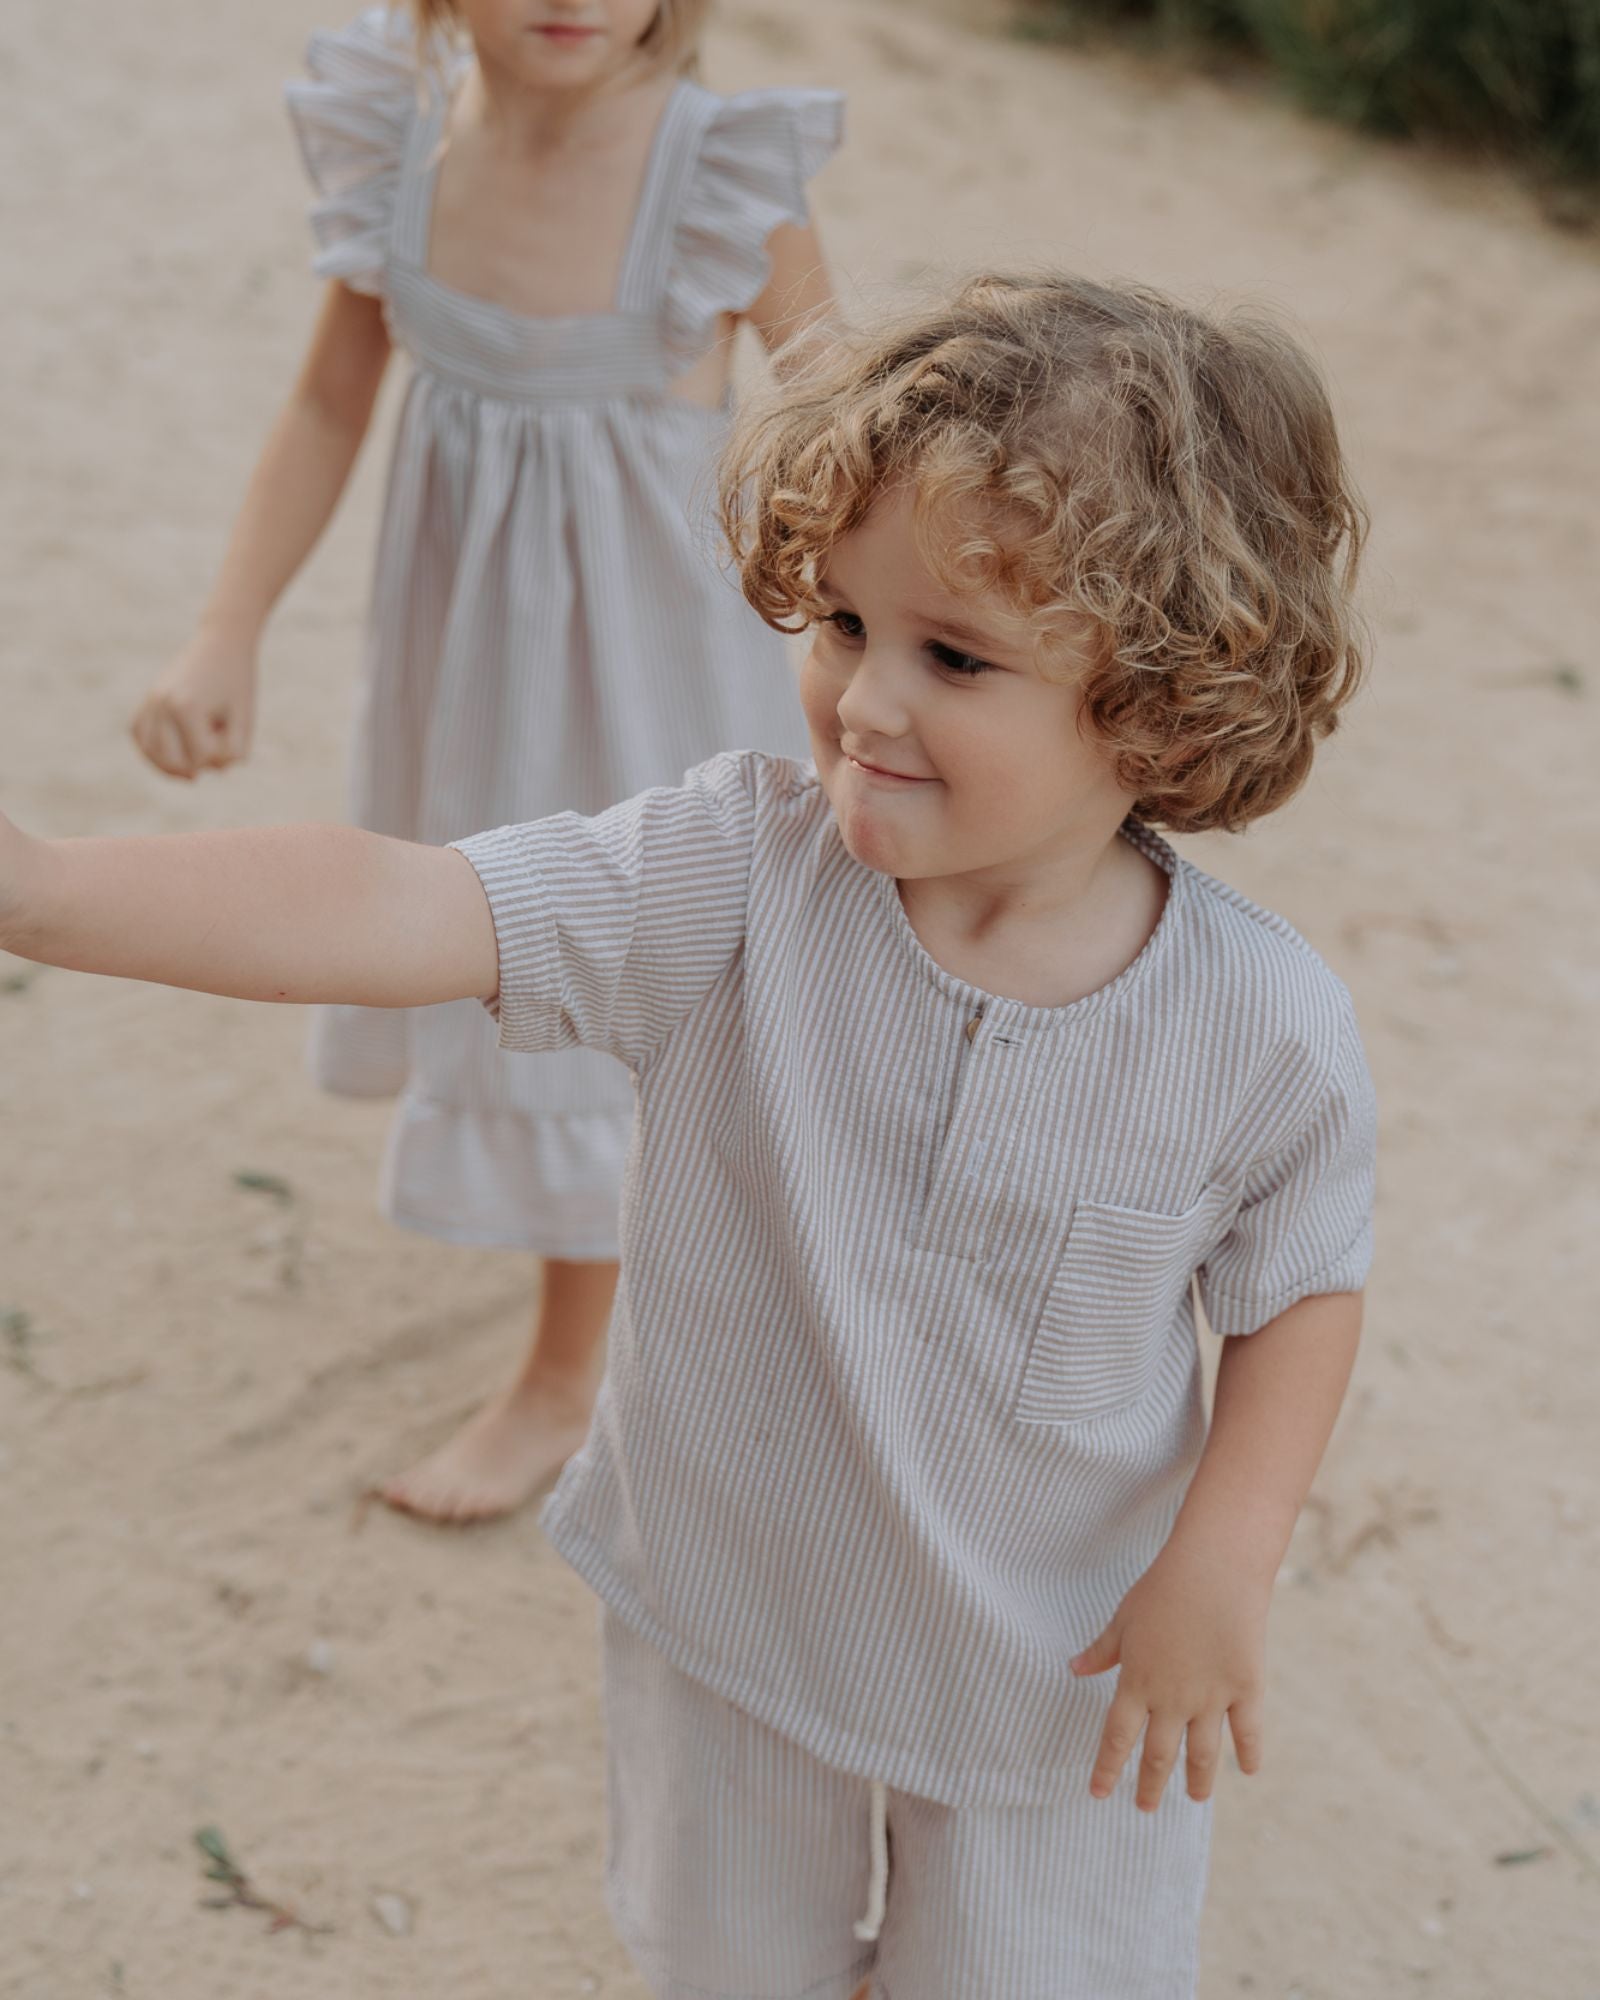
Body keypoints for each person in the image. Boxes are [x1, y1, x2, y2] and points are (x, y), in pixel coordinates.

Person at [7, 273, 1375, 1996]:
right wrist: (42, 890)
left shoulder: (1257, 1025)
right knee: (725, 1969)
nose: (865, 705)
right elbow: (404, 896)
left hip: (1062, 1668)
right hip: (729, 1607)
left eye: (954, 656)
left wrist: (1223, 1561)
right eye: (842, 629)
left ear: (1166, 708)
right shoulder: (732, 879)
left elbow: (1299, 1287)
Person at [127, 0, 842, 1521]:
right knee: (502, 956)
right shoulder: (401, 140)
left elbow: (847, 415)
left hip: (648, 680)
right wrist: (225, 630)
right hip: (472, 675)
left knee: (629, 987)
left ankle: (568, 1377)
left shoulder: (719, 173)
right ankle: (607, 1345)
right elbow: (331, 396)